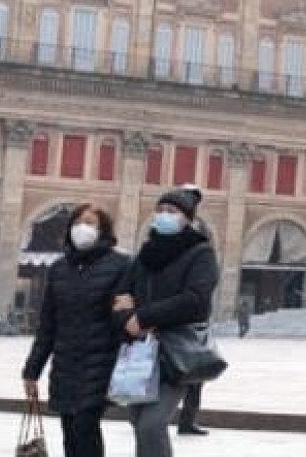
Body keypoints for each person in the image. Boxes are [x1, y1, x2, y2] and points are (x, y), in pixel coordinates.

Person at [114, 187, 220, 457]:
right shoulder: (145, 256)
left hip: (175, 352)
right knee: (137, 421)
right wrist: (128, 320)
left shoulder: (200, 253)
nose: (163, 215)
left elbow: (195, 300)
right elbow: (121, 297)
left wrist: (144, 316)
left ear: (187, 219)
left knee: (151, 424)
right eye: (160, 210)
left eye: (171, 211)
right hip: (140, 352)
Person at [23, 205, 133, 457]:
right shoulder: (59, 269)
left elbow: (123, 317)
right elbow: (48, 324)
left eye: (90, 223)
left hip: (100, 363)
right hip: (65, 364)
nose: (82, 228)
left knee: (85, 425)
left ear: (103, 229)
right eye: (77, 222)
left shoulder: (120, 265)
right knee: (69, 429)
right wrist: (32, 369)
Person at [174, 185, 211, 438]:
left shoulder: (200, 233)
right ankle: (147, 415)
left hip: (194, 318)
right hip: (170, 316)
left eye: (194, 200)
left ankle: (187, 419)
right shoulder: (167, 230)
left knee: (196, 373)